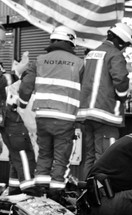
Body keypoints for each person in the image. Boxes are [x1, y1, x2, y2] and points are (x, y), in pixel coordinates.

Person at [19, 25, 84, 201]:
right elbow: (85, 90)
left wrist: (22, 103)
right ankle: (56, 193)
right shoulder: (78, 63)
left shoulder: (40, 60)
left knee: (44, 152)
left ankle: (40, 189)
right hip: (65, 117)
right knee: (61, 156)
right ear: (71, 42)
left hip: (42, 116)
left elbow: (26, 85)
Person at [76, 22, 132, 179]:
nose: (125, 49)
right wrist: (122, 97)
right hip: (106, 115)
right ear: (121, 41)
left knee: (89, 157)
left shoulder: (91, 54)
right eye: (126, 45)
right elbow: (121, 80)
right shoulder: (115, 54)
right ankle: (102, 197)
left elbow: (80, 78)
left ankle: (86, 194)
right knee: (107, 158)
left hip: (87, 115)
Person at [0, 24, 37, 196]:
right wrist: (19, 76)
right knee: (22, 152)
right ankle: (29, 191)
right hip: (9, 118)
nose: (2, 45)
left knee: (16, 153)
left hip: (5, 118)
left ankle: (14, 190)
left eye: (3, 42)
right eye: (0, 41)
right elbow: (7, 90)